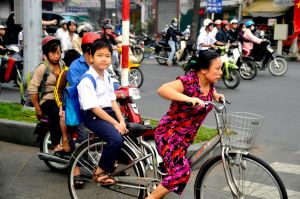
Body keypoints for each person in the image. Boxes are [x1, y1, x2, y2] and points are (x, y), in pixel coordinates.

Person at [145, 50, 224, 199]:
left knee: (175, 174)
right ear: (204, 69)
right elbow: (162, 89)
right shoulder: (188, 82)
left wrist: (217, 96)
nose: (220, 72)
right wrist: (188, 99)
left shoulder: (209, 84)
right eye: (217, 68)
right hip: (169, 134)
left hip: (185, 139)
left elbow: (210, 91)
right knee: (181, 173)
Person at [77, 39, 127, 185]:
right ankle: (100, 171)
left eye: (107, 55)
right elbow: (94, 108)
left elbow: (112, 101)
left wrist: (121, 120)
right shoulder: (87, 80)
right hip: (94, 116)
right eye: (100, 55)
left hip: (108, 114)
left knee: (133, 130)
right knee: (115, 139)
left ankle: (115, 165)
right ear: (91, 57)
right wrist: (115, 124)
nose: (104, 59)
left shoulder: (107, 77)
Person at [28, 36, 64, 152]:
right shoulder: (43, 67)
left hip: (61, 98)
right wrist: (37, 109)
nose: (57, 55)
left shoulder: (62, 64)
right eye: (53, 53)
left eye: (59, 52)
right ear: (47, 53)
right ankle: (55, 144)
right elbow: (33, 89)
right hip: (47, 99)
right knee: (56, 112)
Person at [54, 49, 81, 153]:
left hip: (79, 102)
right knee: (63, 115)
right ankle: (65, 138)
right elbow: (58, 90)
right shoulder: (65, 72)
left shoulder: (80, 71)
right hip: (67, 102)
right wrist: (61, 105)